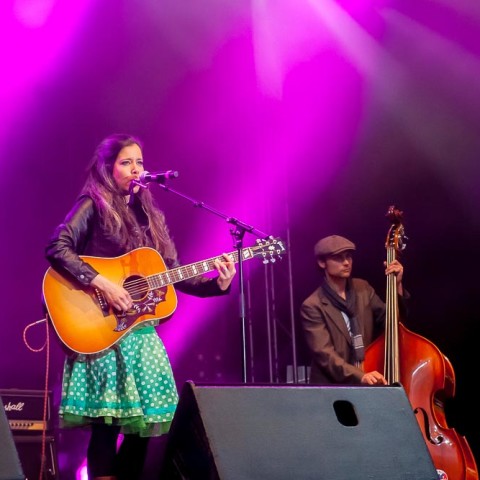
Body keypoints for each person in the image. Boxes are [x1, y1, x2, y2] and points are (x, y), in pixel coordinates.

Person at [45, 133, 236, 480]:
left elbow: (171, 274)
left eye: (140, 162)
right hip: (104, 329)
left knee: (146, 425)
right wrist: (100, 282)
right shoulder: (92, 203)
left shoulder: (150, 216)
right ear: (108, 168)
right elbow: (58, 247)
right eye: (126, 162)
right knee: (107, 426)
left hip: (142, 333)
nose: (136, 169)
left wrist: (217, 283)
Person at [300, 234, 406, 386]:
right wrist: (360, 376)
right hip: (333, 386)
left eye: (348, 256)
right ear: (322, 262)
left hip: (367, 377)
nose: (346, 263)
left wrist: (397, 285)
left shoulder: (363, 288)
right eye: (338, 258)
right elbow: (325, 355)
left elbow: (393, 323)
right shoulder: (312, 305)